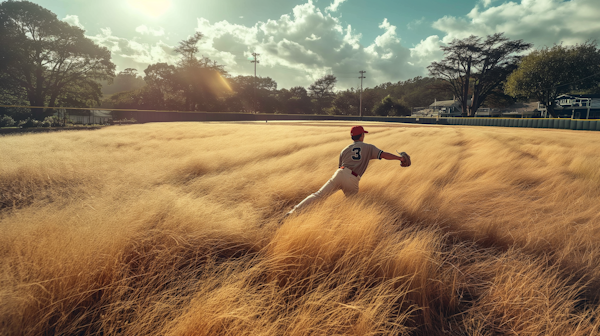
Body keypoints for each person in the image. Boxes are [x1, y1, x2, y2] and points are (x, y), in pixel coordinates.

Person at [286, 125, 410, 216]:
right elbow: (384, 155)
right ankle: (348, 225)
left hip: (339, 173)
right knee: (354, 206)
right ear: (362, 136)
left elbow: (340, 166)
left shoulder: (345, 149)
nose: (364, 135)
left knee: (318, 195)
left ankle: (293, 212)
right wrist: (400, 158)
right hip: (352, 178)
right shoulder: (368, 147)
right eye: (363, 134)